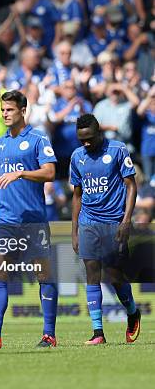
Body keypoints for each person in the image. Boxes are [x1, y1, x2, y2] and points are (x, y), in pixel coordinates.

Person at [0, 90, 58, 349]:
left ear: (23, 110)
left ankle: (48, 334)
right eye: (2, 110)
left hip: (33, 219)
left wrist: (22, 172)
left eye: (9, 110)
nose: (5, 114)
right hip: (6, 220)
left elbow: (50, 172)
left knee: (43, 275)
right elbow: (0, 183)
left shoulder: (37, 138)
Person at [70, 113, 141, 345]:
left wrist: (126, 220)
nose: (86, 144)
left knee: (114, 275)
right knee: (92, 272)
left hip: (114, 221)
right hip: (88, 221)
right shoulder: (77, 156)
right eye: (82, 140)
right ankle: (98, 332)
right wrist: (74, 230)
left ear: (99, 133)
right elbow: (77, 195)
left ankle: (132, 312)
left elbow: (131, 186)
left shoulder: (118, 150)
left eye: (90, 138)